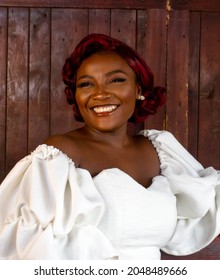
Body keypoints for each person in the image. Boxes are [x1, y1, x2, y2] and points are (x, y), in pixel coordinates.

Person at [0, 33, 219, 260]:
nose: (100, 94)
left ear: (138, 89)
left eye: (116, 80)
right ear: (76, 96)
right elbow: (27, 247)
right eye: (86, 84)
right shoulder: (58, 155)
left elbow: (207, 201)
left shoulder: (159, 150)